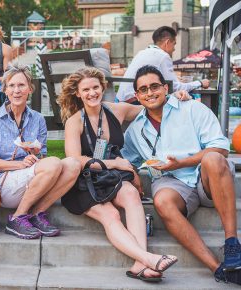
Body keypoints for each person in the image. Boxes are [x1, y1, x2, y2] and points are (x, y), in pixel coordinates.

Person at [121, 65, 241, 285]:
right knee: (162, 200)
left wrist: (183, 162)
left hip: (206, 178)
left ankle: (232, 242)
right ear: (137, 96)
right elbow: (126, 159)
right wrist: (130, 173)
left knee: (213, 158)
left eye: (155, 86)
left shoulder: (192, 108)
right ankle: (219, 269)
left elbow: (221, 148)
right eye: (143, 89)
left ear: (166, 88)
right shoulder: (135, 130)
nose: (150, 93)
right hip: (171, 183)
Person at [58, 67, 178, 282]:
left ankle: (140, 264)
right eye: (86, 89)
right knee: (111, 215)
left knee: (131, 195)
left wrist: (174, 96)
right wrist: (117, 163)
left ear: (103, 88)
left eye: (95, 87)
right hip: (84, 182)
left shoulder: (117, 110)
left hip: (112, 176)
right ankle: (148, 259)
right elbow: (76, 160)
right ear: (78, 93)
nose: (92, 93)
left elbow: (149, 104)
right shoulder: (74, 121)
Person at [0, 65, 81, 239]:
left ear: (30, 89)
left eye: (21, 85)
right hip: (1, 183)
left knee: (73, 164)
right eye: (11, 86)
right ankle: (17, 217)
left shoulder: (38, 119)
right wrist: (20, 164)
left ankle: (36, 214)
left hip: (30, 179)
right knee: (54, 162)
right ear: (5, 90)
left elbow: (42, 159)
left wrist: (36, 153)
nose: (16, 90)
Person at [117, 26, 210, 104]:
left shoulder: (142, 52)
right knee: (181, 98)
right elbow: (174, 87)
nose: (174, 49)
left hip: (121, 99)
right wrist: (200, 83)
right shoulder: (163, 56)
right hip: (134, 101)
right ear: (167, 42)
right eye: (174, 44)